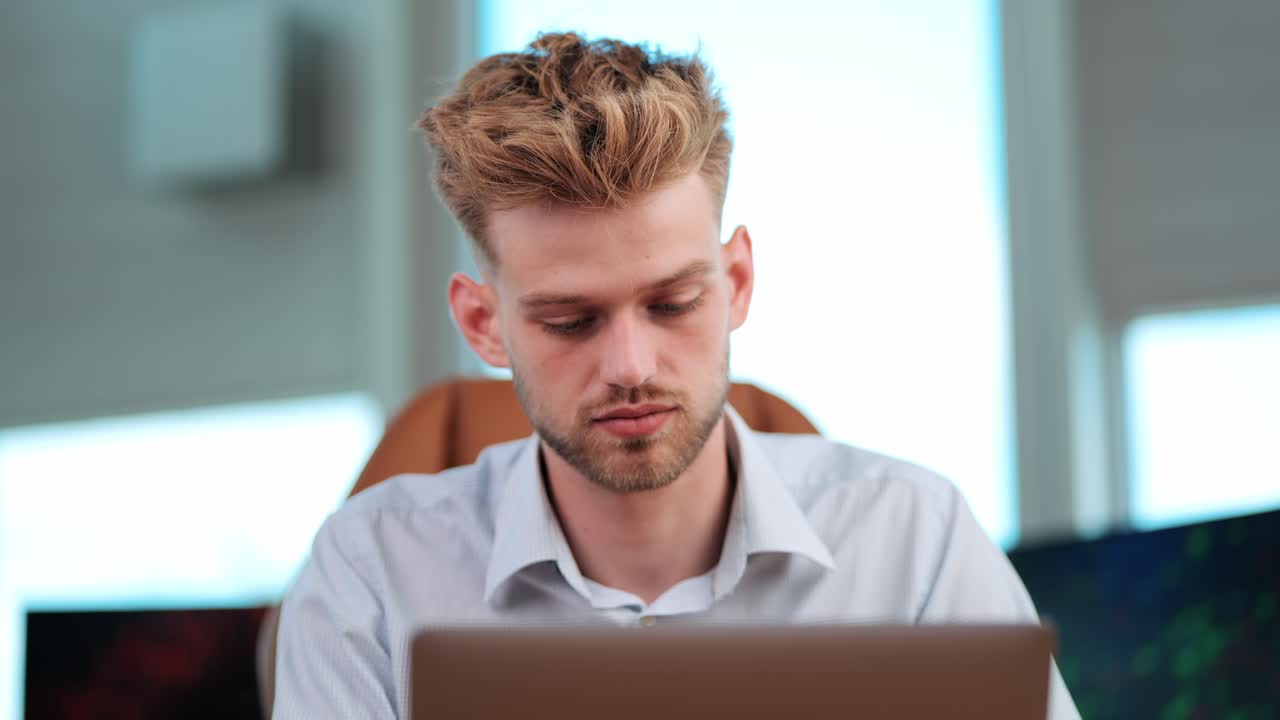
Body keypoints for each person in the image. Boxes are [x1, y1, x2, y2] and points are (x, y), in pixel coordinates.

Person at [272, 32, 1080, 719]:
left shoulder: (915, 540)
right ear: (485, 324)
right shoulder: (370, 575)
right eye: (569, 321)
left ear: (735, 283)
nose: (630, 367)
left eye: (673, 303)